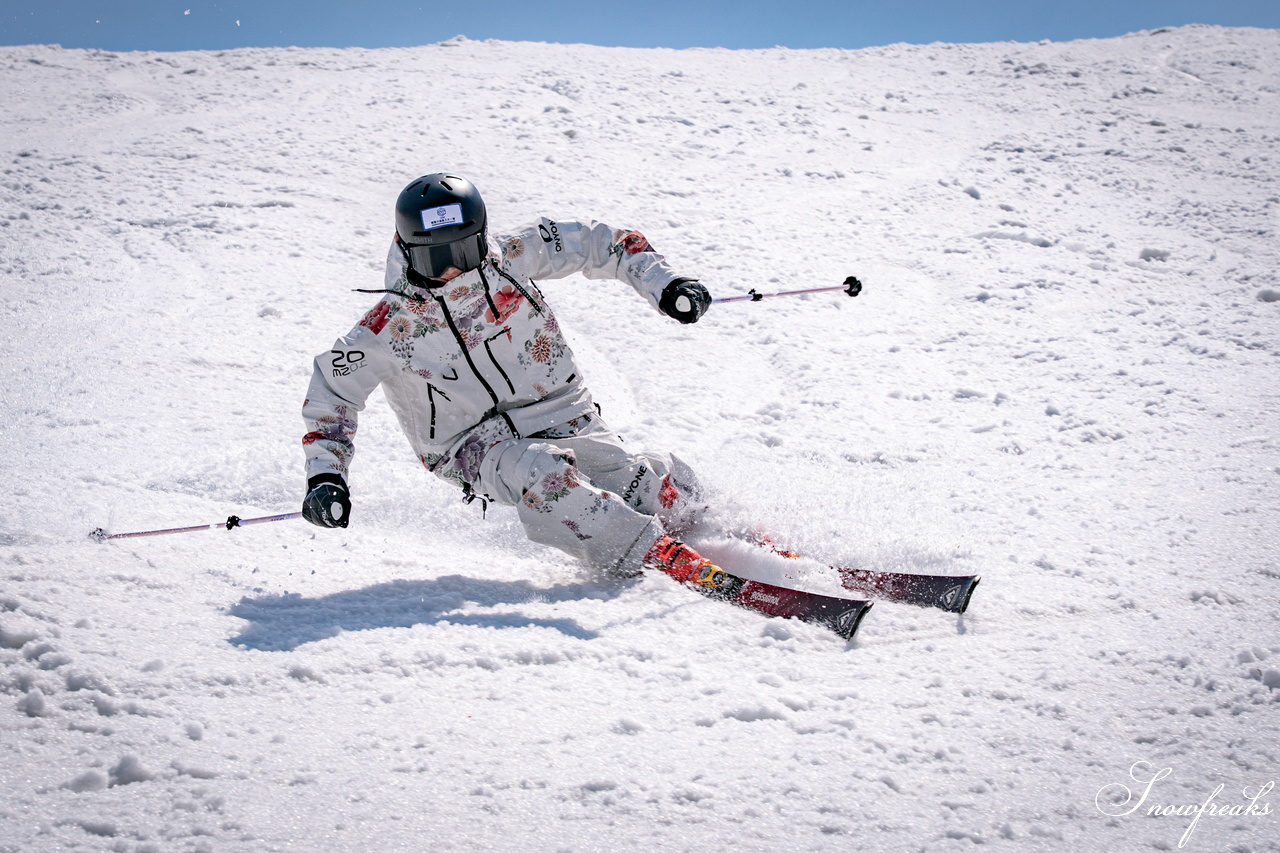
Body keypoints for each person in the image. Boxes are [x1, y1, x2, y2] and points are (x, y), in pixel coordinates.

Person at [300, 173, 729, 588]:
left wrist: (667, 283)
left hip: (562, 410)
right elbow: (332, 394)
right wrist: (326, 477)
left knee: (644, 487)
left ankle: (713, 527)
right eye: (436, 258)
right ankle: (646, 553)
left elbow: (604, 243)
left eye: (463, 253)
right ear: (409, 251)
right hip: (471, 444)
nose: (452, 271)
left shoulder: (515, 255)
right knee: (544, 474)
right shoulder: (390, 326)